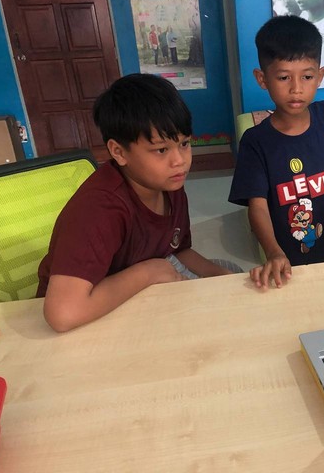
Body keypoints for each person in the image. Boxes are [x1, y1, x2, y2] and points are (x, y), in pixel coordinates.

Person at [37, 73, 236, 332]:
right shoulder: (99, 209)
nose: (179, 161)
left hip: (137, 297)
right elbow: (63, 314)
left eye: (184, 143)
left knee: (231, 271)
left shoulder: (168, 184)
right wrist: (148, 272)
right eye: (161, 150)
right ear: (119, 152)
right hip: (86, 318)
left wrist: (219, 276)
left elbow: (177, 249)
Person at [228, 15, 324, 289]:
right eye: (284, 77)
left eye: (307, 77)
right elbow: (258, 207)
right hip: (288, 267)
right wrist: (274, 252)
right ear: (262, 79)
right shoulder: (256, 142)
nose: (296, 88)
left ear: (320, 76)